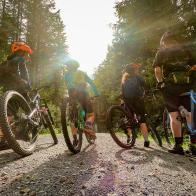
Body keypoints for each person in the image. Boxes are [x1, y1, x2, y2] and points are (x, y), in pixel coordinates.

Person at [153, 31, 196, 155]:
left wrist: (160, 82)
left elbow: (157, 69)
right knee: (190, 114)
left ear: (164, 41)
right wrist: (188, 71)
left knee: (174, 116)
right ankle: (193, 145)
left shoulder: (161, 52)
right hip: (187, 86)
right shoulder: (186, 50)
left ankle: (178, 146)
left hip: (170, 88)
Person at [0, 41, 33, 150]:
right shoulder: (20, 59)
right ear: (23, 52)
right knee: (31, 112)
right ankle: (26, 134)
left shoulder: (7, 62)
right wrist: (26, 84)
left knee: (7, 114)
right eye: (27, 53)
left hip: (7, 93)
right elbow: (23, 75)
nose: (28, 56)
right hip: (20, 91)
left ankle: (3, 138)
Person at [63, 57, 99, 143]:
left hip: (72, 95)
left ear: (68, 66)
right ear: (77, 66)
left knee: (72, 117)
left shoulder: (66, 75)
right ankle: (87, 126)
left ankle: (75, 138)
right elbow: (91, 83)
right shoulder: (82, 73)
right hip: (83, 94)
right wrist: (96, 94)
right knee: (90, 114)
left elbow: (68, 86)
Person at [121, 63, 150, 147]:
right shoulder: (137, 77)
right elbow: (146, 86)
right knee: (142, 120)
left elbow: (122, 92)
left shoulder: (124, 78)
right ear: (134, 70)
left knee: (129, 119)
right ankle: (146, 141)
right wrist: (146, 93)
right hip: (138, 101)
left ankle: (129, 138)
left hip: (127, 102)